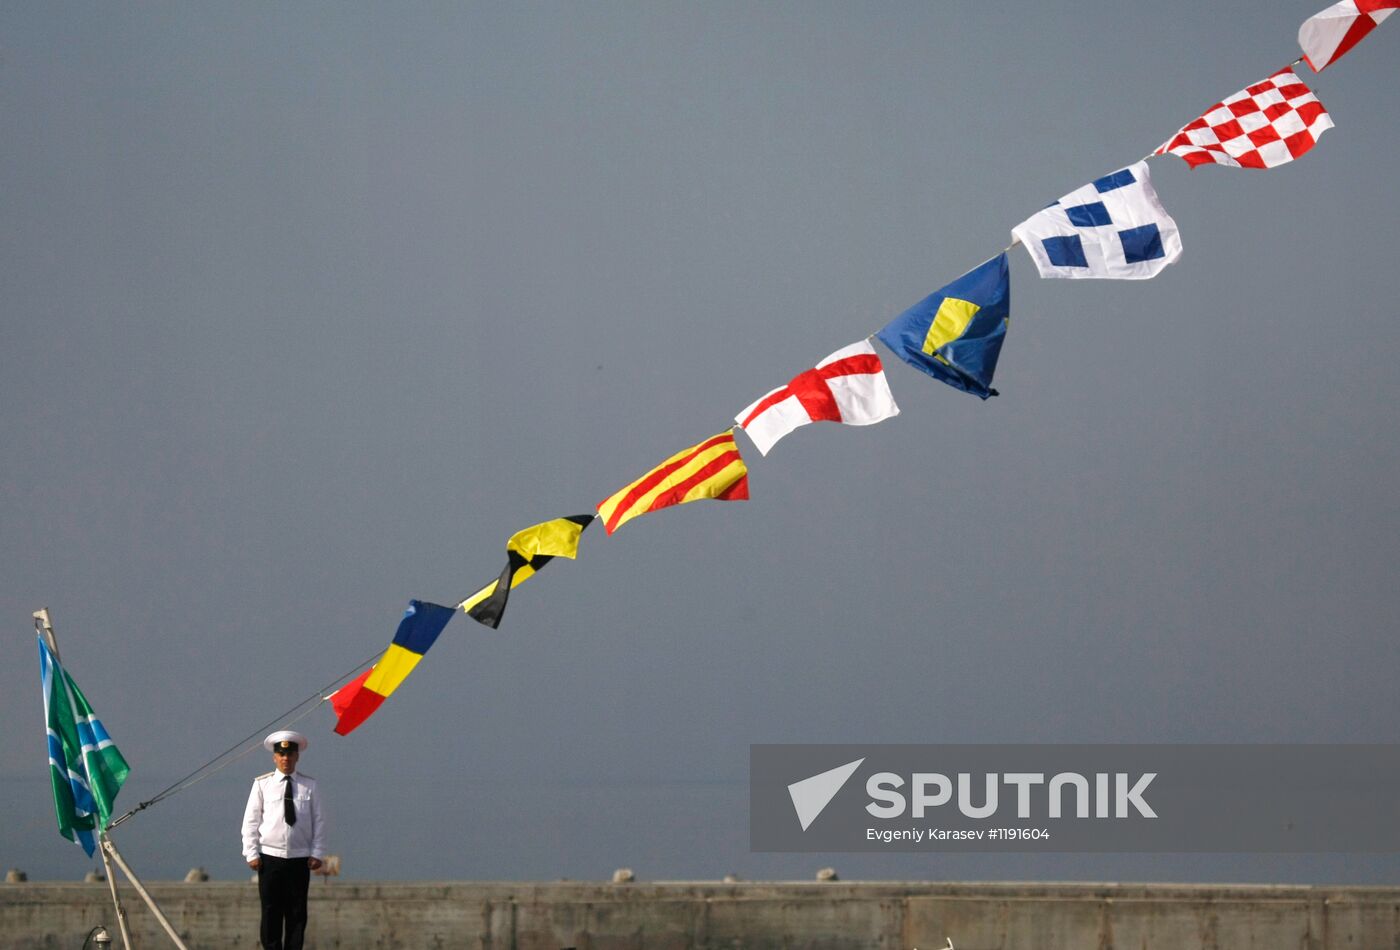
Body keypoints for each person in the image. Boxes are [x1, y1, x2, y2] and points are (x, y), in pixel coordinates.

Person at [241, 730, 326, 950]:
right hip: (270, 858)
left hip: (299, 858)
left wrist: (317, 852)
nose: (285, 759)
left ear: (297, 756)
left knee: (297, 912)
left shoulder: (310, 786)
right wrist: (251, 852)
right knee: (271, 911)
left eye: (290, 755)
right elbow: (250, 820)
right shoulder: (262, 784)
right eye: (281, 755)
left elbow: (319, 821)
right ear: (274, 757)